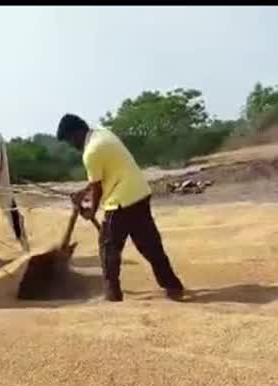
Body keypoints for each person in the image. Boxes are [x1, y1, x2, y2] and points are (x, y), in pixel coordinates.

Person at [55, 113, 185, 302]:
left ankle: (112, 294)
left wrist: (90, 211)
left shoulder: (90, 152)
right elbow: (103, 176)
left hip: (121, 201)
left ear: (75, 133)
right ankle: (173, 286)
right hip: (140, 192)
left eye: (69, 141)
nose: (72, 146)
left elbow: (98, 189)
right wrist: (84, 193)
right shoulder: (103, 133)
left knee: (108, 248)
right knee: (150, 245)